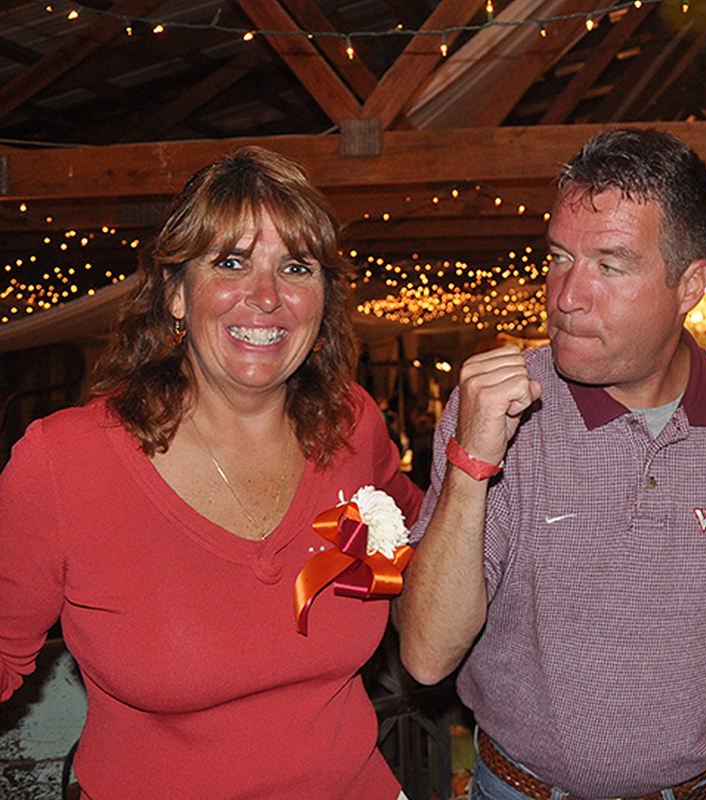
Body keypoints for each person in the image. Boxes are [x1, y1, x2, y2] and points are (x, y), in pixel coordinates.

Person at [395, 129, 706, 800]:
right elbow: (426, 656)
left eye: (610, 264)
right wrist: (471, 460)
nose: (567, 295)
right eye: (559, 258)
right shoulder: (497, 407)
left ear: (689, 283)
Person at [0, 147, 422, 799]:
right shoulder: (65, 462)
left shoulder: (352, 428)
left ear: (321, 300)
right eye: (231, 262)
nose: (266, 296)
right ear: (174, 293)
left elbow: (423, 537)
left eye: (296, 267)